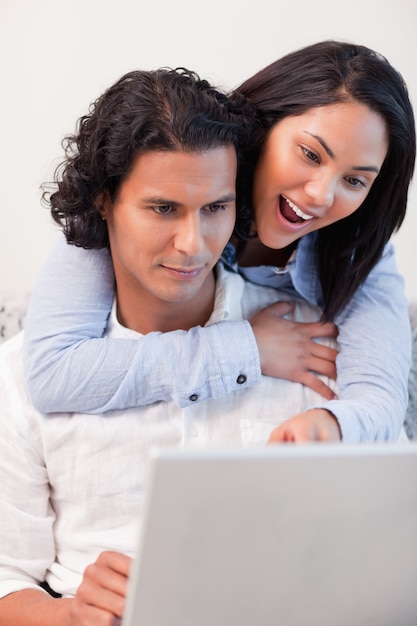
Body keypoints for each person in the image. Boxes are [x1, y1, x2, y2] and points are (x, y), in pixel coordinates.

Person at [0, 66, 342, 624]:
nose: (193, 244)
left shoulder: (308, 339)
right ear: (104, 202)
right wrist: (71, 616)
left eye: (215, 208)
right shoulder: (23, 373)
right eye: (163, 209)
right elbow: (6, 579)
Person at [22, 40, 416, 442]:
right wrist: (248, 348)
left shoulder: (358, 250)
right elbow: (51, 370)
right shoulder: (161, 182)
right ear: (264, 131)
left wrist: (333, 426)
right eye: (311, 155)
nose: (321, 195)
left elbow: (379, 398)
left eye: (354, 180)